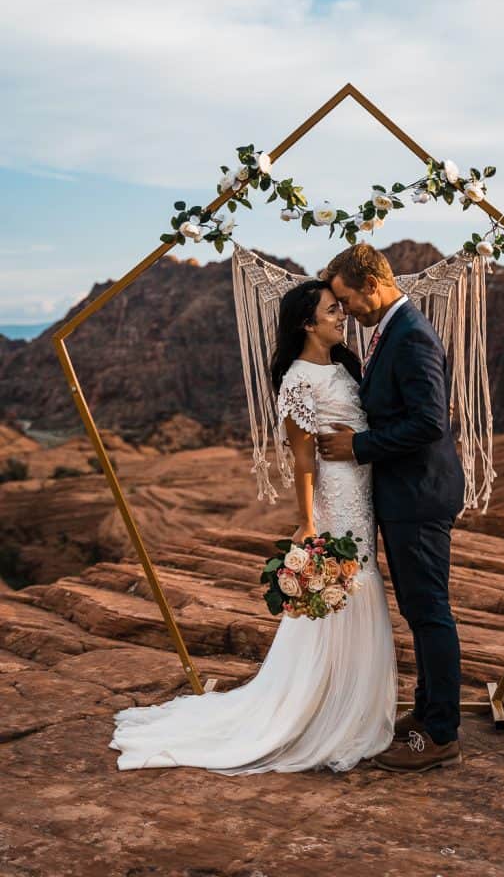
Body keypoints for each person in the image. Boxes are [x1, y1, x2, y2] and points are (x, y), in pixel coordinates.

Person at [109, 279, 397, 774]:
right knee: (349, 588)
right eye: (332, 310)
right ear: (307, 323)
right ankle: (328, 711)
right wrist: (308, 521)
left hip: (364, 489)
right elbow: (303, 458)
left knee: (362, 584)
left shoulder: (346, 365)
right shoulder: (297, 380)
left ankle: (353, 701)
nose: (341, 315)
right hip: (336, 496)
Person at [319, 244, 465, 773]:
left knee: (429, 613)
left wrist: (357, 448)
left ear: (372, 284)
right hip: (407, 495)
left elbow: (429, 423)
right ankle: (427, 713)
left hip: (419, 496)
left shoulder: (412, 337)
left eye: (347, 298)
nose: (347, 310)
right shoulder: (392, 330)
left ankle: (441, 734)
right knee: (419, 612)